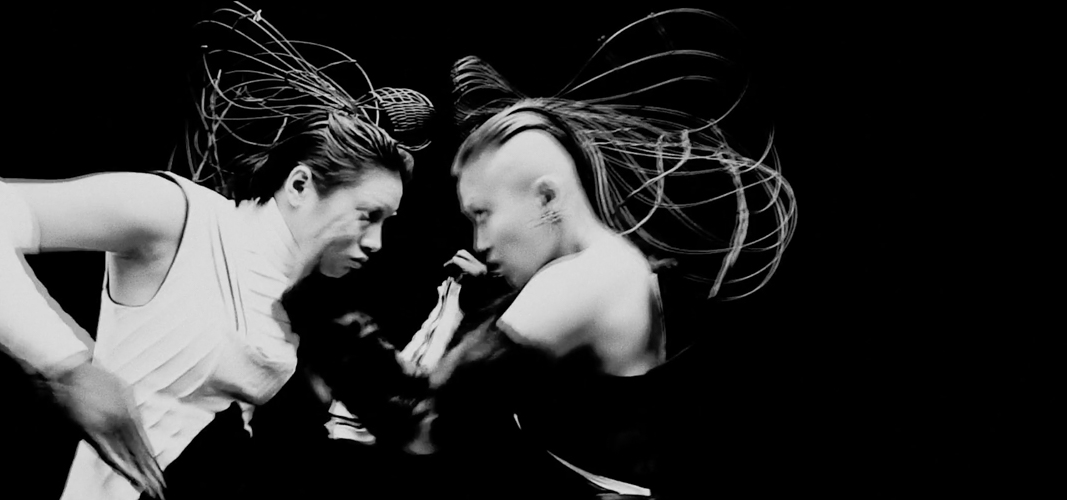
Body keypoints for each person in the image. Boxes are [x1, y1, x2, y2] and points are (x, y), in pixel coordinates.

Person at [0, 3, 433, 499]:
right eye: (368, 215)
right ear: (298, 185)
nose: (376, 243)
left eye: (387, 223)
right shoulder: (180, 217)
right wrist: (69, 365)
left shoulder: (298, 315)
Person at [284, 10, 797, 499]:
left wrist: (312, 310)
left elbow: (422, 423)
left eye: (483, 214)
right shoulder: (616, 267)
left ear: (547, 199)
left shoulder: (582, 279)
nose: (479, 241)